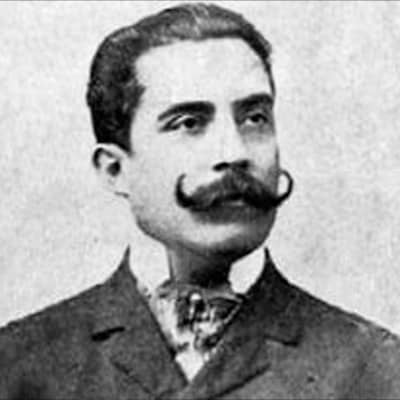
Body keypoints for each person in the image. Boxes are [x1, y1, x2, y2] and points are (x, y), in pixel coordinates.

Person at [1, 3, 400, 399]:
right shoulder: (18, 364)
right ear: (115, 170)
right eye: (189, 123)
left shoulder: (377, 368)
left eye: (255, 118)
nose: (235, 153)